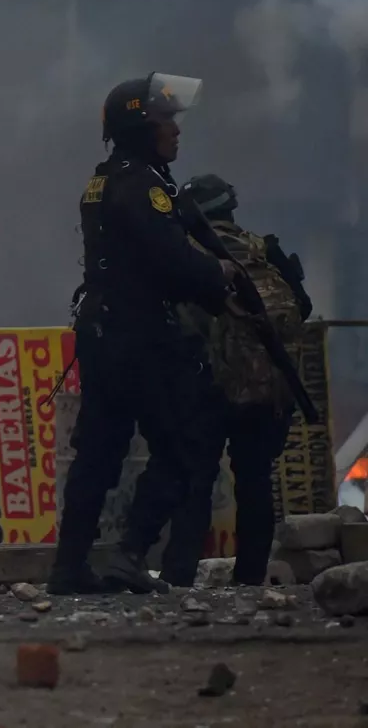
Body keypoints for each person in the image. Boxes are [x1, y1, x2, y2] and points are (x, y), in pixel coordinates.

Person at [48, 72, 234, 596]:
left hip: (106, 335)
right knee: (181, 447)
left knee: (100, 453)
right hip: (141, 335)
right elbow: (172, 261)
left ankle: (69, 567)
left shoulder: (103, 180)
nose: (175, 131)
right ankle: (131, 554)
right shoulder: (144, 187)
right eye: (165, 121)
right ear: (138, 128)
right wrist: (219, 275)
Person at [160, 174, 312, 587]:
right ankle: (249, 578)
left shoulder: (189, 255)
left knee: (195, 480)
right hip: (267, 387)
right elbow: (303, 306)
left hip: (208, 384)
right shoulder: (264, 249)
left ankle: (177, 577)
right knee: (255, 480)